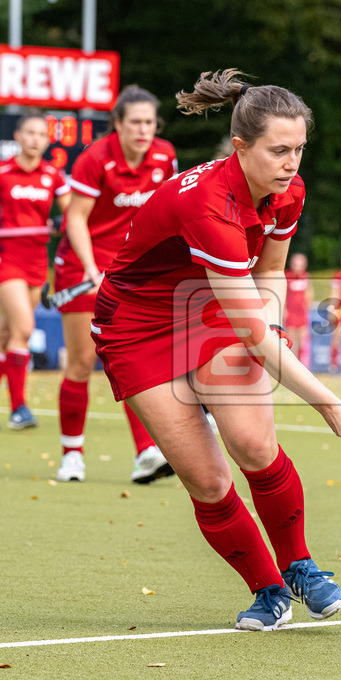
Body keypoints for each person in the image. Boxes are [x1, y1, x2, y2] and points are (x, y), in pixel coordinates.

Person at [91, 68, 341, 631]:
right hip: (136, 326)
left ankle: (301, 567)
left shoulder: (287, 191)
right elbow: (253, 331)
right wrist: (328, 402)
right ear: (240, 147)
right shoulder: (209, 207)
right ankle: (268, 591)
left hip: (209, 305)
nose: (292, 163)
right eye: (279, 150)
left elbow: (269, 273)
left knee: (251, 442)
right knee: (209, 481)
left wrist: (272, 325)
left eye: (299, 149)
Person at [54, 85, 178, 484]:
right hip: (82, 264)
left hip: (129, 270)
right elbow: (75, 219)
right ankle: (72, 455)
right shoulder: (95, 159)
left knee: (130, 357)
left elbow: (169, 210)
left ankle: (146, 452)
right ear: (118, 125)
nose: (144, 130)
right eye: (135, 122)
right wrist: (91, 268)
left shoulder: (164, 154)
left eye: (149, 122)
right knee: (81, 363)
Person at [0, 111, 71, 429]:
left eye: (41, 135)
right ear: (17, 136)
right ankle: (19, 409)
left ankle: (16, 405)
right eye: (29, 133)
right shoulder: (3, 171)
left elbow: (74, 213)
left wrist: (62, 222)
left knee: (7, 334)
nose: (35, 139)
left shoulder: (52, 175)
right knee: (25, 329)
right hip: (6, 258)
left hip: (36, 261)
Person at [284, 252, 313, 365]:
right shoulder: (287, 276)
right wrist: (284, 309)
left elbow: (309, 291)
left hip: (301, 312)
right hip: (291, 311)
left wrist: (308, 304)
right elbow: (283, 294)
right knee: (291, 338)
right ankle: (291, 364)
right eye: (296, 263)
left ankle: (301, 364)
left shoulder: (306, 276)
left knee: (302, 339)